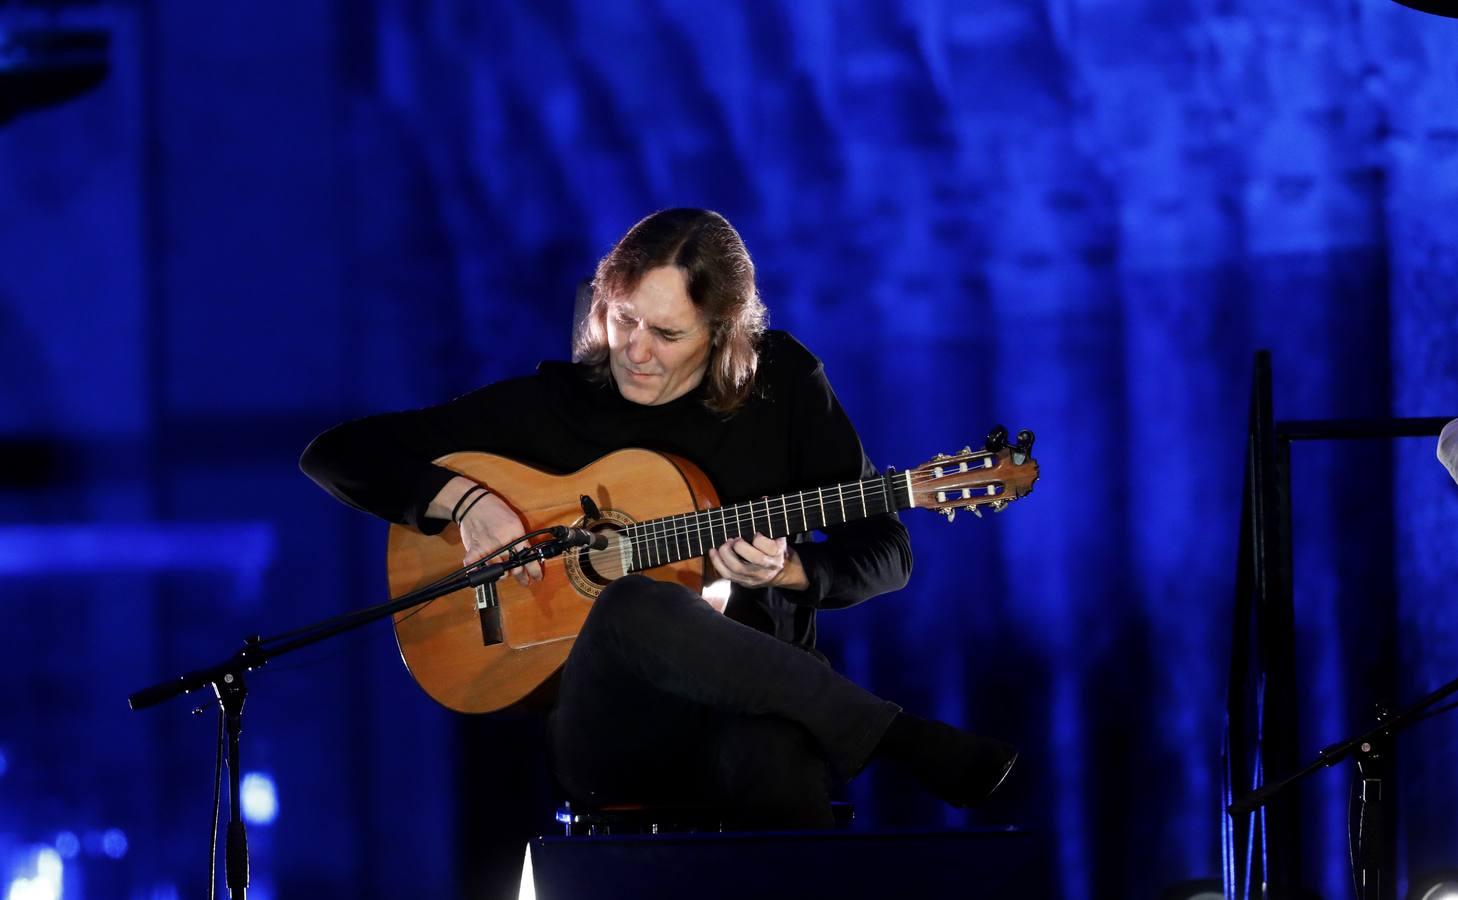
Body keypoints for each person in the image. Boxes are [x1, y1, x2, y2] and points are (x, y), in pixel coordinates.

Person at [300, 208, 1016, 828]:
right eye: (622, 319)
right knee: (636, 602)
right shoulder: (556, 406)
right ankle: (899, 739)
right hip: (614, 731)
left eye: (667, 335)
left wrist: (795, 568)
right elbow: (336, 453)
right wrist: (468, 502)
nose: (635, 352)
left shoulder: (785, 389)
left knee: (776, 760)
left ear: (723, 331)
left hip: (758, 710)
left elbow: (888, 552)